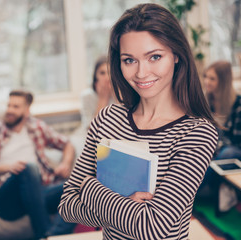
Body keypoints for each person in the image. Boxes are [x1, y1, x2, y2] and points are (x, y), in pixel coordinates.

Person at [58, 3, 218, 240]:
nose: (141, 73)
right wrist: (127, 208)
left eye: (154, 57)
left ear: (176, 55)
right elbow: (67, 205)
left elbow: (153, 228)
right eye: (129, 60)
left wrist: (91, 189)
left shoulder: (197, 133)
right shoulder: (107, 119)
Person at [0, 90, 76, 239]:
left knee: (79, 186)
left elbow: (67, 144)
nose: (10, 110)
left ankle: (54, 236)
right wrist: (9, 167)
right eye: (9, 105)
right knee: (27, 168)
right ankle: (43, 234)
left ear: (27, 111)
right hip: (5, 199)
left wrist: (65, 164)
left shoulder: (36, 127)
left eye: (16, 107)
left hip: (37, 192)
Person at [203, 60, 241, 159]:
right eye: (205, 76)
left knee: (228, 153)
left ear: (223, 81)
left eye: (212, 79)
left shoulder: (238, 105)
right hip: (211, 149)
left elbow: (237, 142)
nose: (206, 81)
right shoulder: (205, 101)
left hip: (230, 151)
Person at [80, 56, 115, 130]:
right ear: (95, 76)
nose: (107, 77)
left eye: (110, 72)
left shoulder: (121, 95)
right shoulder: (87, 96)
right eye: (102, 73)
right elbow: (90, 129)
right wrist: (103, 99)